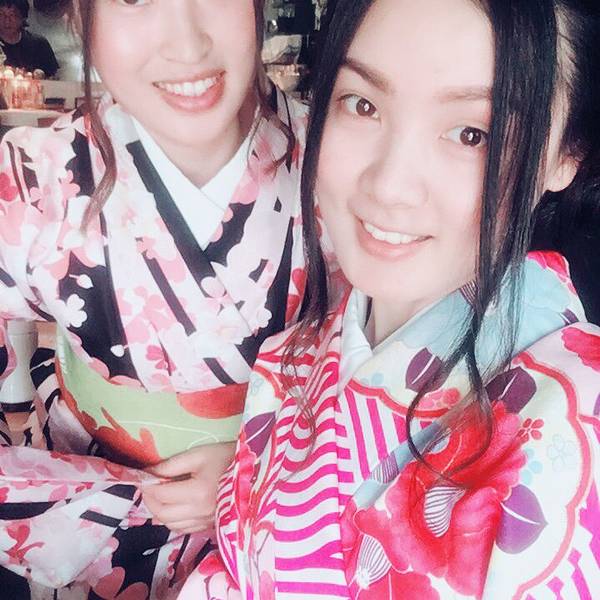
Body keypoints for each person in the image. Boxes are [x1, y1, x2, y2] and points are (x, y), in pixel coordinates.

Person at [179, 0, 600, 597]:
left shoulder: (580, 428)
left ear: (566, 155)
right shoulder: (294, 357)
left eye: (472, 134)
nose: (389, 186)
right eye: (363, 104)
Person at [0, 0, 307, 597]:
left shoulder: (338, 161)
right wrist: (51, 495)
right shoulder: (33, 177)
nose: (186, 45)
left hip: (284, 531)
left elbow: (398, 374)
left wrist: (260, 465)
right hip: (101, 537)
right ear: (80, 15)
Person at [0, 0, 59, 77]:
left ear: (23, 17)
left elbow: (54, 77)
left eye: (12, 15)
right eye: (1, 14)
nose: (7, 20)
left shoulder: (39, 44)